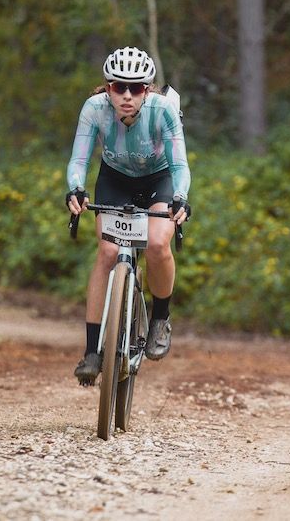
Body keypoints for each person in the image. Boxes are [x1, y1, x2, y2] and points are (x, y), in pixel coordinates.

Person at [65, 46, 191, 386]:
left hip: (158, 179)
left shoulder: (163, 110)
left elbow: (179, 163)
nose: (126, 95)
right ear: (108, 88)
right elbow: (79, 160)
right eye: (118, 86)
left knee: (156, 244)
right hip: (115, 179)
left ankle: (160, 318)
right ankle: (92, 352)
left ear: (146, 90)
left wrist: (180, 197)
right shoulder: (94, 109)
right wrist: (76, 188)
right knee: (106, 253)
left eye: (135, 88)